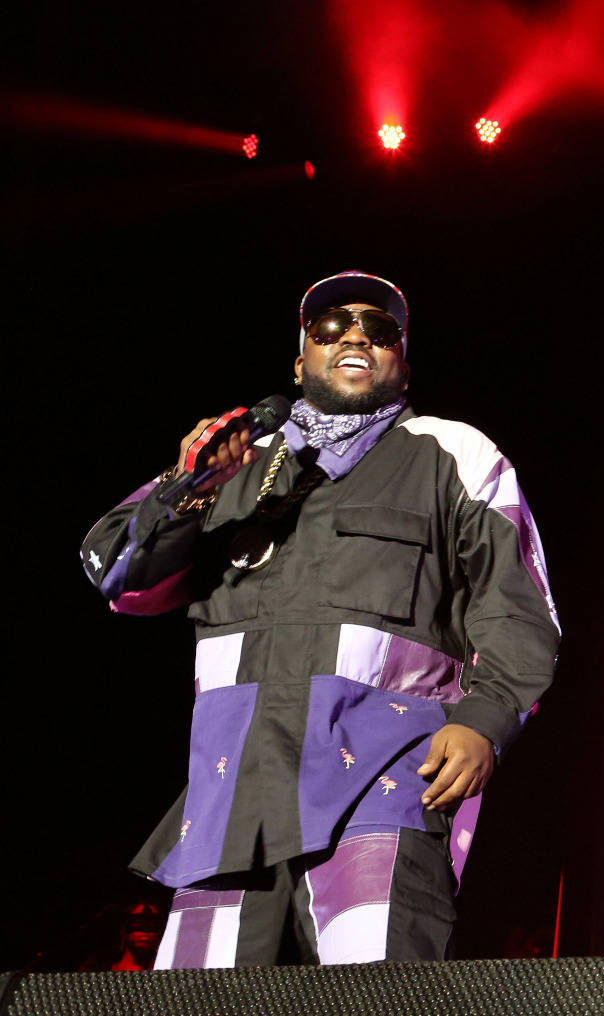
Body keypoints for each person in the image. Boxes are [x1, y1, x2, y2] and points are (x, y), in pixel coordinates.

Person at [80, 271, 559, 968]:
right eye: (331, 326)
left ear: (403, 361)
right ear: (301, 360)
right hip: (229, 800)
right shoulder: (235, 464)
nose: (358, 335)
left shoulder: (454, 454)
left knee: (373, 996)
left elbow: (520, 609)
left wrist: (483, 719)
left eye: (381, 327)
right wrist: (188, 493)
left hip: (383, 786)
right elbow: (116, 576)